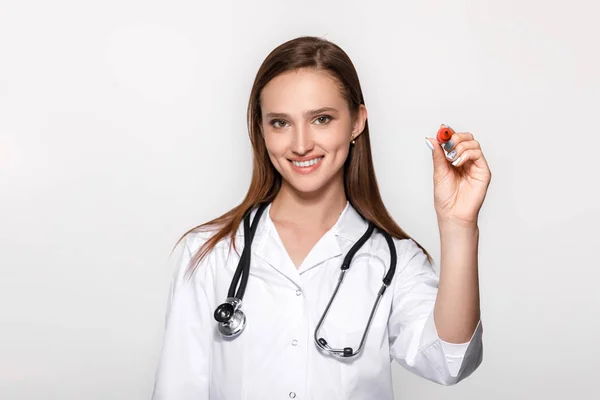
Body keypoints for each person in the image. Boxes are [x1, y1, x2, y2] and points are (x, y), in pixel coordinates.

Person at [151, 36, 491, 400]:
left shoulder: (394, 260)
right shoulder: (208, 254)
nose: (300, 144)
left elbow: (449, 361)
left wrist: (458, 226)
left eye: (321, 119)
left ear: (357, 122)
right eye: (280, 123)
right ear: (261, 130)